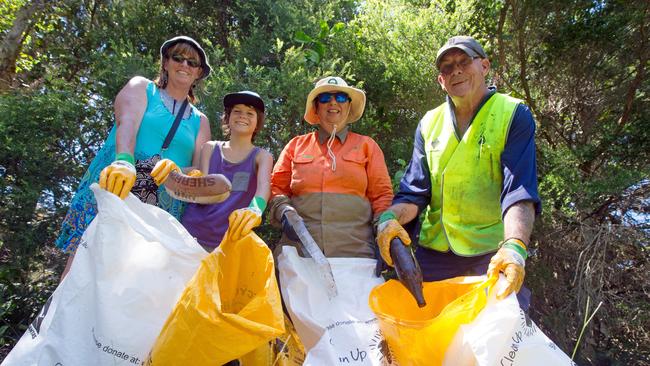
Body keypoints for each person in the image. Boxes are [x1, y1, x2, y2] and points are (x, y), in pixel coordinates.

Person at [376, 36, 541, 308]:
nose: (456, 71)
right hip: (434, 254)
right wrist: (390, 218)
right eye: (447, 68)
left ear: (484, 66)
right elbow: (415, 193)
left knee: (500, 333)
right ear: (441, 81)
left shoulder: (513, 114)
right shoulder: (429, 123)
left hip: (489, 254)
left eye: (464, 62)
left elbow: (519, 193)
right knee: (423, 335)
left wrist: (514, 247)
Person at [55, 36, 212, 273]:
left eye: (192, 62)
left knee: (137, 277)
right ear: (166, 63)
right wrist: (124, 160)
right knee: (86, 261)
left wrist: (178, 171)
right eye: (178, 58)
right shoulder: (142, 88)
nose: (185, 65)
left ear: (199, 72)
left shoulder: (200, 121)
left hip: (161, 206)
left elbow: (200, 170)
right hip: (117, 184)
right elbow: (126, 121)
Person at [269, 76, 393, 258]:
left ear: (349, 106)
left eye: (341, 97)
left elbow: (382, 195)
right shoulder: (295, 146)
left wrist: (385, 226)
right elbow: (276, 189)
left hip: (356, 253)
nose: (333, 102)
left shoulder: (368, 146)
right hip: (298, 254)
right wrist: (284, 211)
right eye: (325, 98)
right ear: (316, 107)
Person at [152, 91, 273, 251]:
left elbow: (264, 186)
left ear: (257, 123)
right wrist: (174, 171)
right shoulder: (210, 147)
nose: (243, 116)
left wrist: (255, 209)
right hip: (192, 234)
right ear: (228, 118)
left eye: (250, 113)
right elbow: (200, 181)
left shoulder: (262, 156)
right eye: (237, 111)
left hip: (229, 242)